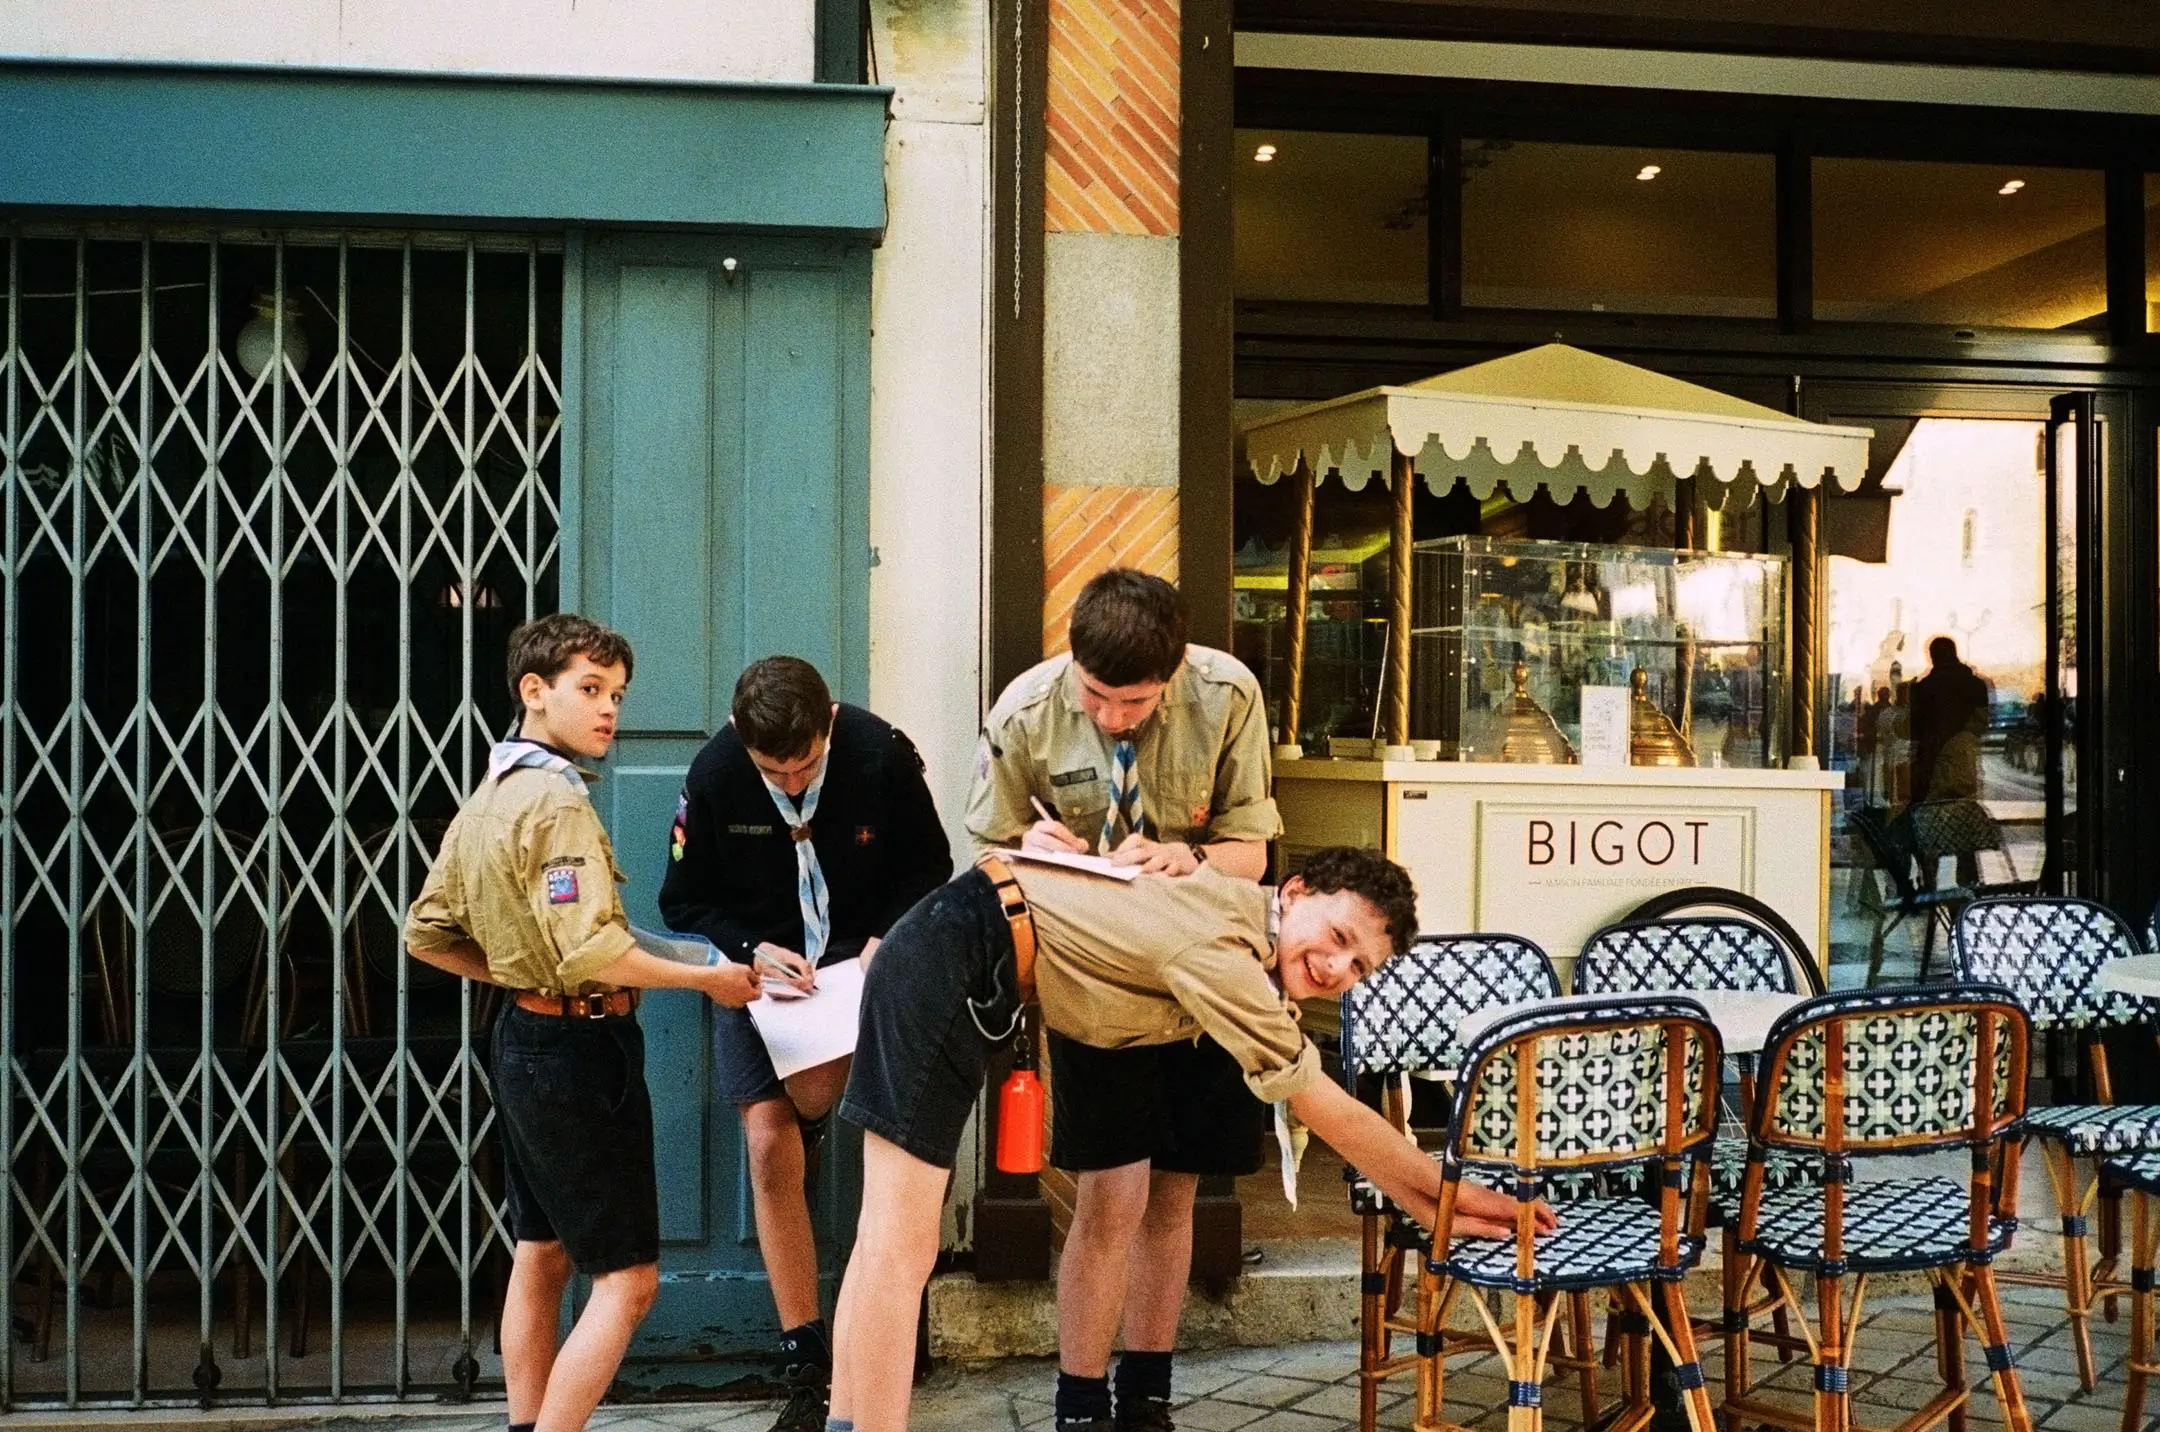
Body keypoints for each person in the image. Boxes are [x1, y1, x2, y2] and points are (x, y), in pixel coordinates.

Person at [824, 847, 1556, 1432]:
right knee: (902, 1247)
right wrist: (1445, 1194)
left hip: (962, 947)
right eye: (1337, 937)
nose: (1337, 968)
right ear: (1293, 893)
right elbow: (1329, 1109)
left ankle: (844, 1422)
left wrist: (1435, 1201)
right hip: (958, 951)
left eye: (1359, 966)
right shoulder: (1225, 949)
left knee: (884, 1240)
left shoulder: (1234, 921)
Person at [404, 614, 763, 1432]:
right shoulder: (557, 804)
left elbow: (429, 931)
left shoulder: (491, 795)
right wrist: (707, 982)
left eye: (617, 695)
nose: (609, 710)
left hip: (524, 1042)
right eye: (590, 690)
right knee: (629, 1283)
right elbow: (597, 955)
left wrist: (702, 956)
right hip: (575, 1054)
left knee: (541, 1254)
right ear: (535, 692)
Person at [965, 567, 1278, 1432]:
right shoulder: (1025, 710)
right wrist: (1028, 840)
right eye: (1098, 696)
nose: (1113, 718)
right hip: (1096, 985)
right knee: (1108, 1197)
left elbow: (1254, 849)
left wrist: (1197, 860)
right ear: (1074, 663)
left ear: (1174, 673)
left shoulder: (1229, 694)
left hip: (1205, 977)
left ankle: (1147, 1396)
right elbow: (990, 857)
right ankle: (1077, 1406)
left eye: (1135, 702)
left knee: (1176, 1195)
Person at [657, 656, 952, 1432]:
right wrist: (749, 945)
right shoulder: (717, 772)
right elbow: (682, 898)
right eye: (772, 771)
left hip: (863, 963)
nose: (790, 785)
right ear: (739, 738)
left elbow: (932, 866)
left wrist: (889, 939)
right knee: (767, 1144)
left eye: (806, 765)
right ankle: (805, 1354)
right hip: (763, 974)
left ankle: (880, 1334)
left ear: (829, 727)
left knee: (883, 1139)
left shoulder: (879, 752)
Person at [1908, 635, 1990, 804]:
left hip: (1930, 762)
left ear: (1932, 657)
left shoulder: (1923, 688)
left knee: (1932, 814)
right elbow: (1980, 723)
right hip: (1963, 760)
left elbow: (1911, 730)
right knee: (1963, 812)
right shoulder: (1976, 685)